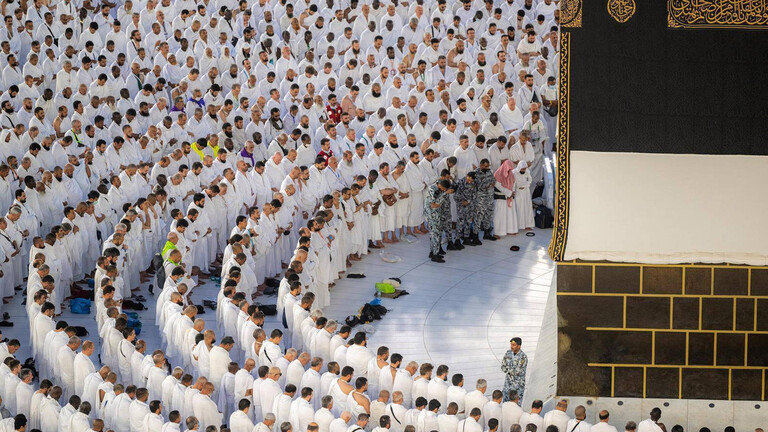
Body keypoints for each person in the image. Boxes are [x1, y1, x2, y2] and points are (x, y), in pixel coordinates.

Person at [424, 180, 452, 263]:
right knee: (435, 233)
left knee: (436, 233)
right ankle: (435, 255)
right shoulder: (432, 189)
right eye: (443, 189)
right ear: (440, 185)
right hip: (432, 214)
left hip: (437, 213)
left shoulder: (439, 188)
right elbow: (434, 204)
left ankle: (433, 252)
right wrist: (445, 194)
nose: (444, 190)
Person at [501, 338, 527, 402]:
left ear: (519, 346)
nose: (511, 346)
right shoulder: (508, 353)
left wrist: (508, 370)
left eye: (513, 345)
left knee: (516, 406)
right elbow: (502, 367)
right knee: (505, 404)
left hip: (517, 387)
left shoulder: (523, 357)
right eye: (511, 345)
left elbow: (517, 371)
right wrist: (510, 370)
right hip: (507, 385)